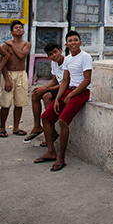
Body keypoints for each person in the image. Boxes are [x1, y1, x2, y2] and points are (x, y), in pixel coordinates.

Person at [33, 30, 92, 172]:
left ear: (80, 42)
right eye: (70, 41)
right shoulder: (68, 60)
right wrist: (58, 98)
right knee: (46, 117)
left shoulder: (85, 57)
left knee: (63, 121)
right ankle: (50, 151)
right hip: (68, 90)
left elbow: (87, 80)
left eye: (75, 40)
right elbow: (65, 80)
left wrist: (71, 96)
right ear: (66, 44)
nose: (73, 43)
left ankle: (61, 157)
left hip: (81, 92)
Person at [23, 42, 66, 142]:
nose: (54, 55)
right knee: (35, 94)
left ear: (60, 50)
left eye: (55, 52)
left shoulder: (67, 62)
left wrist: (46, 89)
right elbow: (55, 81)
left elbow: (65, 83)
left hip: (66, 89)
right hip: (58, 87)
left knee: (47, 96)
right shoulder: (54, 63)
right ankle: (37, 126)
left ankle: (51, 130)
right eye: (51, 54)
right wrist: (42, 88)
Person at [0, 20, 32, 137]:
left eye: (20, 27)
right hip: (9, 74)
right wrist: (6, 79)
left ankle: (16, 127)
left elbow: (22, 55)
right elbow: (2, 63)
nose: (18, 29)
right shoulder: (5, 46)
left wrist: (12, 44)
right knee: (6, 103)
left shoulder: (26, 44)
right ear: (12, 31)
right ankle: (2, 127)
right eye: (16, 27)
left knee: (19, 103)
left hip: (21, 74)